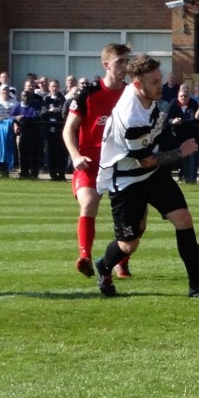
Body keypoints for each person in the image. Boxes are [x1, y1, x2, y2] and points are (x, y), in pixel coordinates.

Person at [94, 54, 199, 298]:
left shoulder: (147, 98)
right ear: (138, 84)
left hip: (150, 174)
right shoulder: (130, 117)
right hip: (127, 179)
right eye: (154, 82)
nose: (160, 86)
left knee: (183, 219)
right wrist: (180, 152)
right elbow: (146, 159)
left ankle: (196, 287)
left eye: (160, 79)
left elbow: (155, 141)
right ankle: (104, 266)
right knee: (129, 244)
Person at [62, 43, 133, 278]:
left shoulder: (132, 92)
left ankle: (121, 260)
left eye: (127, 61)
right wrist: (75, 155)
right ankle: (85, 256)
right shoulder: (88, 92)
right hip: (90, 163)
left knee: (135, 216)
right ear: (106, 65)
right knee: (89, 201)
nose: (125, 66)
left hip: (122, 163)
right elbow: (68, 130)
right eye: (120, 61)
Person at [166, 85, 199, 184]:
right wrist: (173, 121)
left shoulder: (193, 103)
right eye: (181, 96)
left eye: (185, 96)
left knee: (192, 161)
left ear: (189, 97)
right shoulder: (173, 103)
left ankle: (191, 181)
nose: (184, 98)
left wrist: (182, 122)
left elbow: (195, 119)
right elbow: (168, 119)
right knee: (179, 160)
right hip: (177, 137)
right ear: (178, 97)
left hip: (191, 137)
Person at [41, 79, 69, 181]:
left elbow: (63, 112)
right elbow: (42, 113)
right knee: (51, 152)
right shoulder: (45, 99)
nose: (54, 88)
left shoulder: (62, 99)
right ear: (49, 87)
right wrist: (49, 111)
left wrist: (56, 112)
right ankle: (53, 174)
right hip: (49, 130)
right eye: (52, 86)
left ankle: (61, 174)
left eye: (56, 86)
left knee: (62, 152)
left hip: (60, 129)